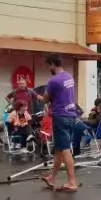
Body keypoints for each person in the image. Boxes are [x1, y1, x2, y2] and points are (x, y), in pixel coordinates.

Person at [35, 54, 79, 192]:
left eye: (48, 66)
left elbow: (45, 99)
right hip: (71, 114)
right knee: (59, 149)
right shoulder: (69, 77)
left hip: (60, 116)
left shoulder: (54, 80)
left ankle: (72, 182)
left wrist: (38, 96)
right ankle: (51, 178)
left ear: (53, 64)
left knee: (65, 149)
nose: (48, 69)